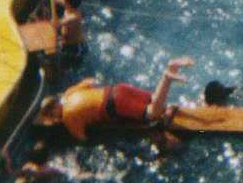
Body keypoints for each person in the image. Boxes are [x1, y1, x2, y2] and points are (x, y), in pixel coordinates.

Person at [38, 55, 194, 144]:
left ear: (53, 110)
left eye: (52, 116)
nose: (55, 119)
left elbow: (82, 138)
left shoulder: (68, 117)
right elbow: (91, 81)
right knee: (155, 99)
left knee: (154, 112)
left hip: (114, 104)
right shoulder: (68, 93)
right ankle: (173, 66)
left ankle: (167, 76)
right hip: (116, 89)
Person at [56, 0, 86, 66]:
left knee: (66, 63)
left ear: (69, 5)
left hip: (74, 45)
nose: (64, 3)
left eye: (65, 3)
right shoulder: (69, 8)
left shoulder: (74, 17)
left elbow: (57, 24)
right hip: (66, 40)